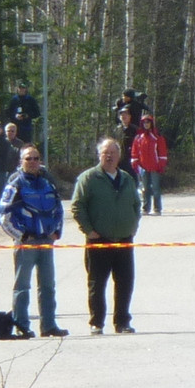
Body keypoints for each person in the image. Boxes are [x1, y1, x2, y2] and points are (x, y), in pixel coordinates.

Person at [72, 136, 142, 334]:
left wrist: (133, 225)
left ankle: (122, 322)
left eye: (112, 153)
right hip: (99, 240)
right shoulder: (89, 178)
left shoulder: (127, 179)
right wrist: (88, 230)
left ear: (119, 155)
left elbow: (137, 205)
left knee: (125, 282)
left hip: (124, 240)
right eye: (105, 153)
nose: (109, 156)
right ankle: (97, 322)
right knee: (97, 283)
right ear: (99, 155)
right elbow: (77, 206)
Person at [0, 142, 65, 337]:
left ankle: (49, 325)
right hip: (26, 243)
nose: (33, 162)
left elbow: (59, 209)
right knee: (22, 287)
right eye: (29, 158)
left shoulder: (47, 182)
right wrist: (21, 236)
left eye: (36, 158)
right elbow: (3, 215)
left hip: (46, 241)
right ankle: (21, 326)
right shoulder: (15, 183)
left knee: (47, 286)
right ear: (21, 161)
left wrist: (56, 232)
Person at [131, 112, 169, 215]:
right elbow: (135, 151)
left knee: (156, 188)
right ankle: (145, 208)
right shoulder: (139, 138)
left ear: (151, 123)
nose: (146, 124)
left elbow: (162, 152)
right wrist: (135, 162)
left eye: (148, 122)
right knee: (145, 188)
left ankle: (157, 209)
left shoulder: (157, 137)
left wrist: (161, 164)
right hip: (143, 167)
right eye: (144, 122)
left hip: (155, 167)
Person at [6, 79, 40, 144]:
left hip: (26, 129)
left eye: (23, 88)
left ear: (25, 89)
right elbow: (8, 113)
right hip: (15, 129)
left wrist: (27, 115)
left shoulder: (30, 99)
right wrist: (15, 116)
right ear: (17, 89)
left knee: (26, 146)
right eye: (20, 88)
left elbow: (37, 113)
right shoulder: (14, 100)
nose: (21, 90)